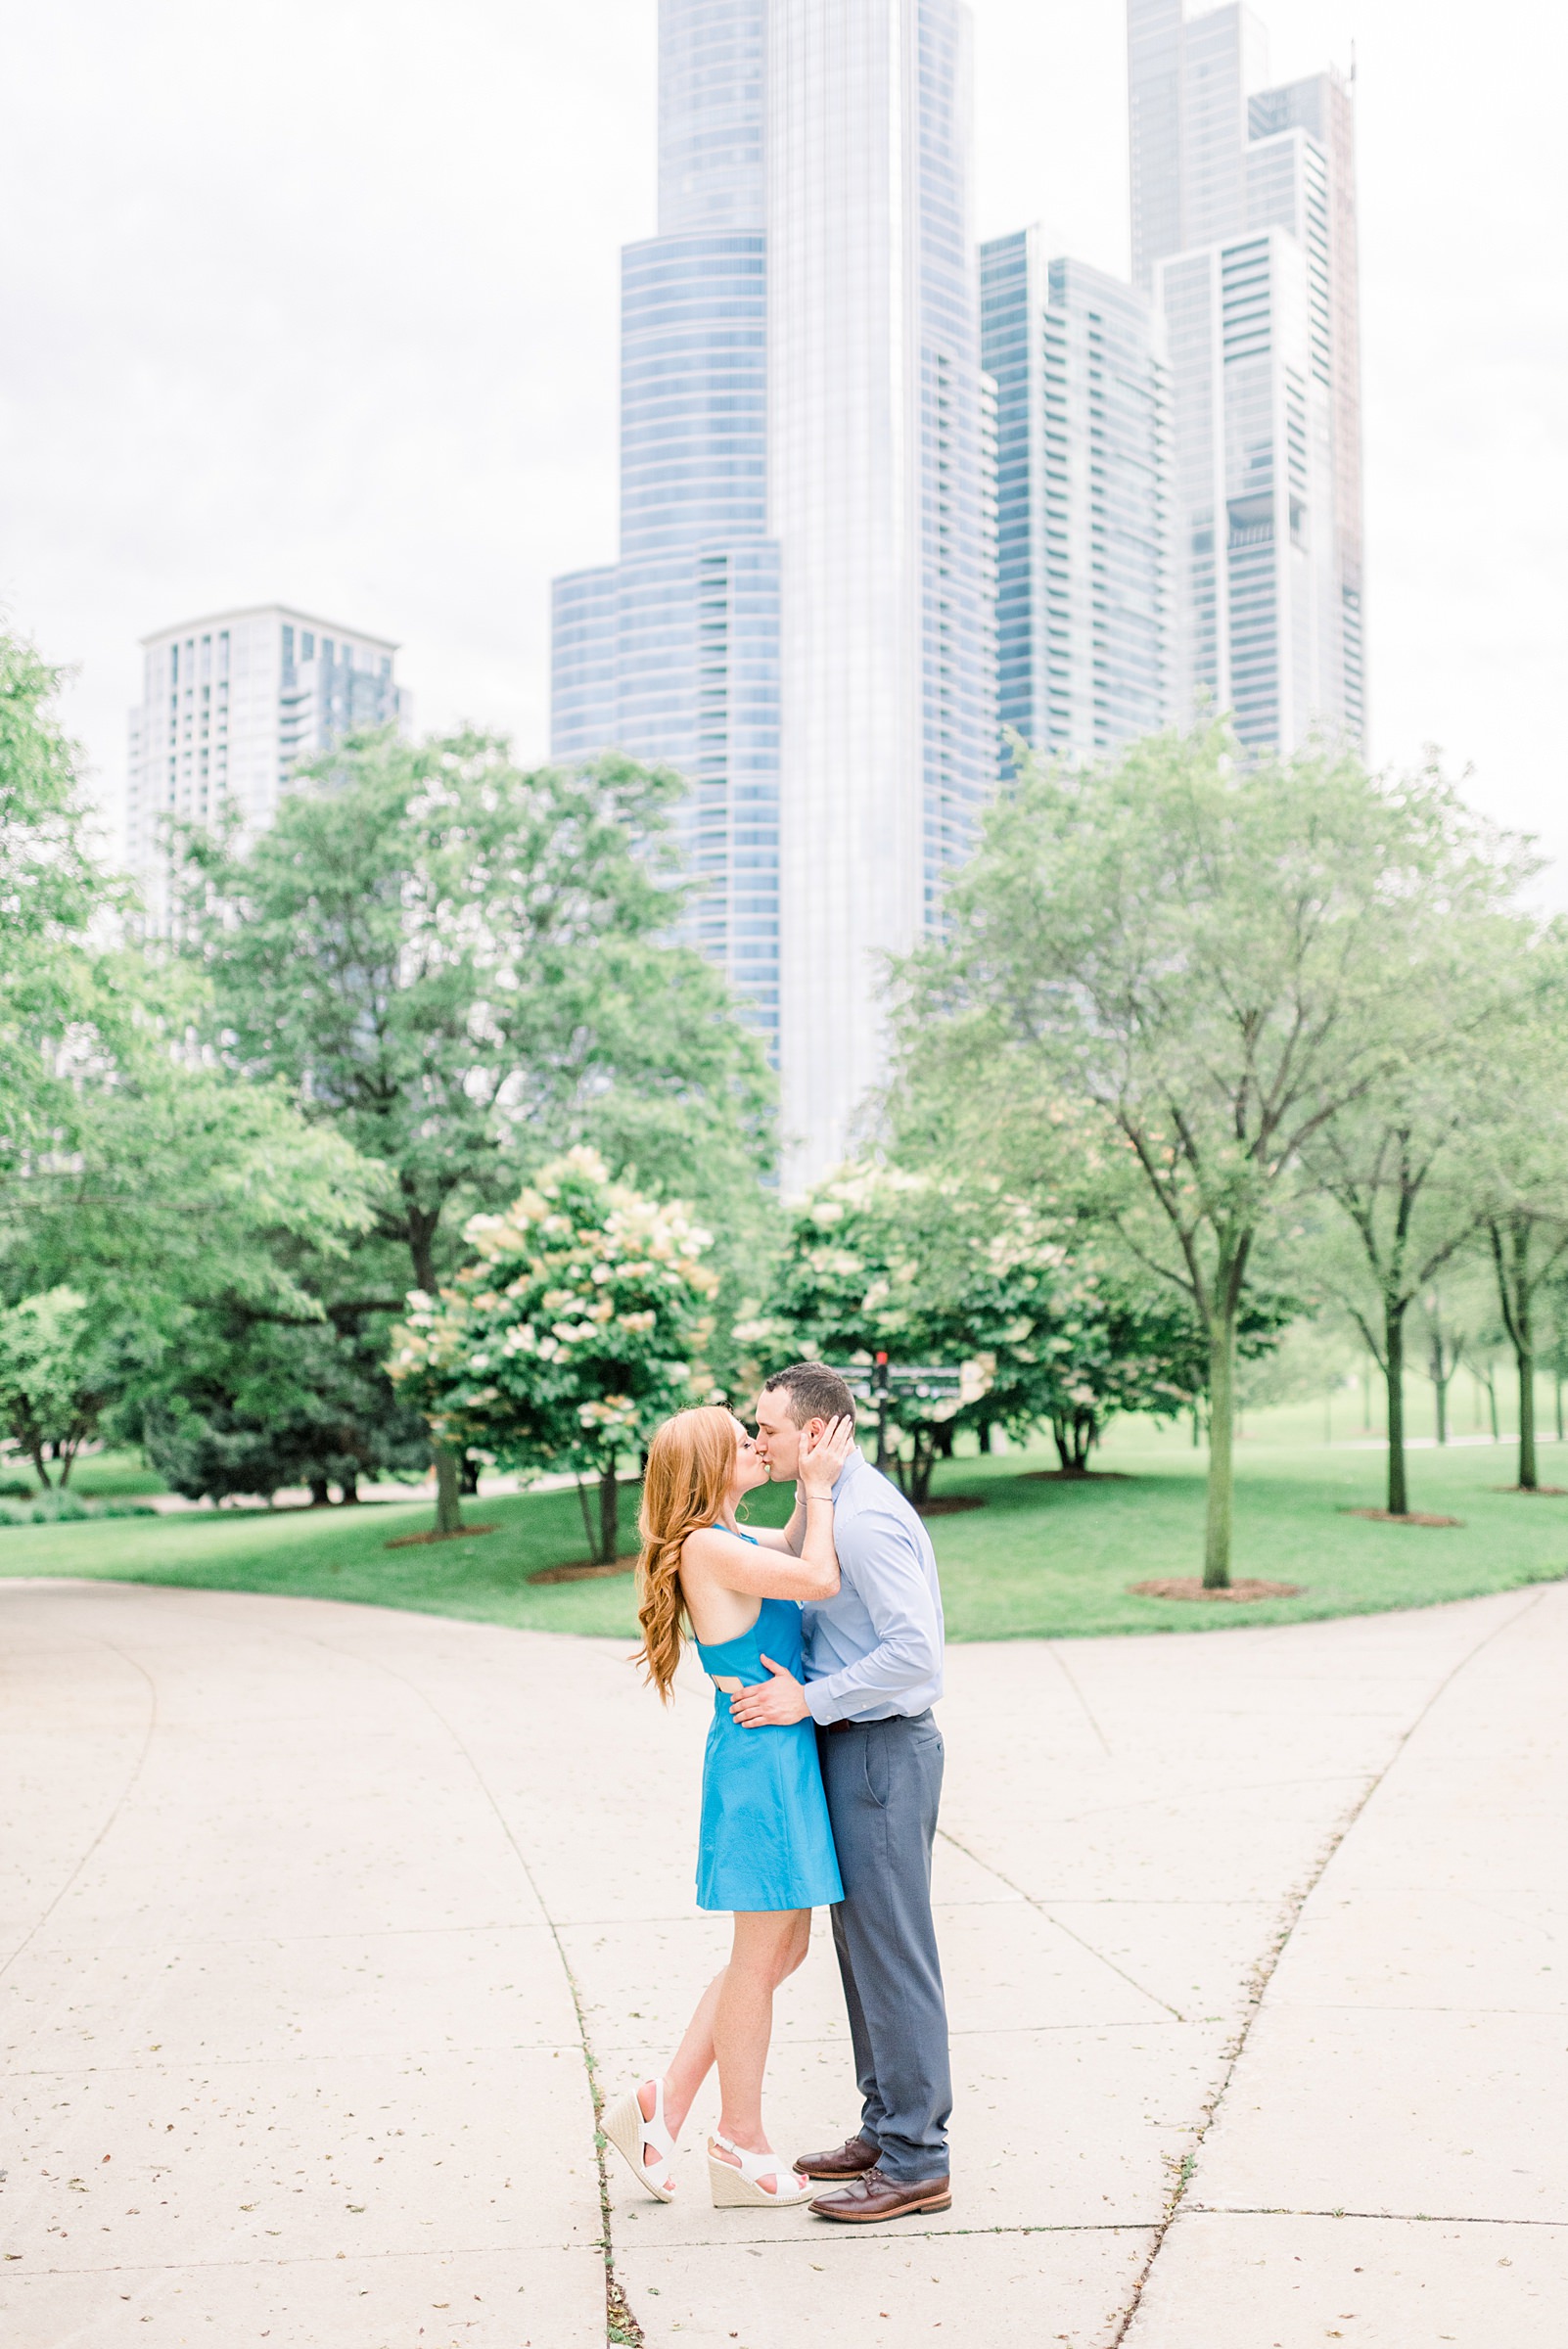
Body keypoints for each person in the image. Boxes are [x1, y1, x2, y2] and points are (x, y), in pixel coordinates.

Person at [602, 1402, 857, 2209]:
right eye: (738, 1440)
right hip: (761, 1765)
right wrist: (817, 1484)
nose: (755, 1444)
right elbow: (819, 1575)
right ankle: (738, 2143)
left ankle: (662, 2105)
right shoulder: (708, 1548)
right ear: (708, 1468)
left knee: (784, 1954)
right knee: (759, 1958)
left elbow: (793, 1552)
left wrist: (809, 1472)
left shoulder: (733, 1539)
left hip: (775, 1755)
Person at [736, 1360, 952, 2224]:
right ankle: (885, 2125)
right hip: (855, 1753)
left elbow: (916, 1656)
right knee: (861, 1949)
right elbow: (787, 1554)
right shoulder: (835, 1505)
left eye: (771, 1431)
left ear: (817, 1432)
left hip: (881, 1753)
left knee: (893, 1951)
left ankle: (916, 2158)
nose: (760, 1442)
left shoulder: (862, 1522)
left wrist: (808, 1698)